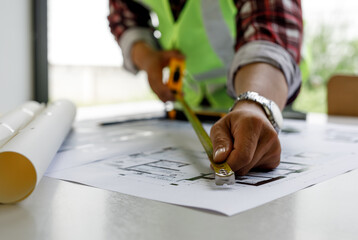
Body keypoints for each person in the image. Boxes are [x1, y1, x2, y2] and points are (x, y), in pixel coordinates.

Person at [108, 0, 303, 175]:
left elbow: (270, 25)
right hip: (190, 102)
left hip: (266, 99)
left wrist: (254, 103)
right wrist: (147, 57)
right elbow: (124, 16)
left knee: (254, 147)